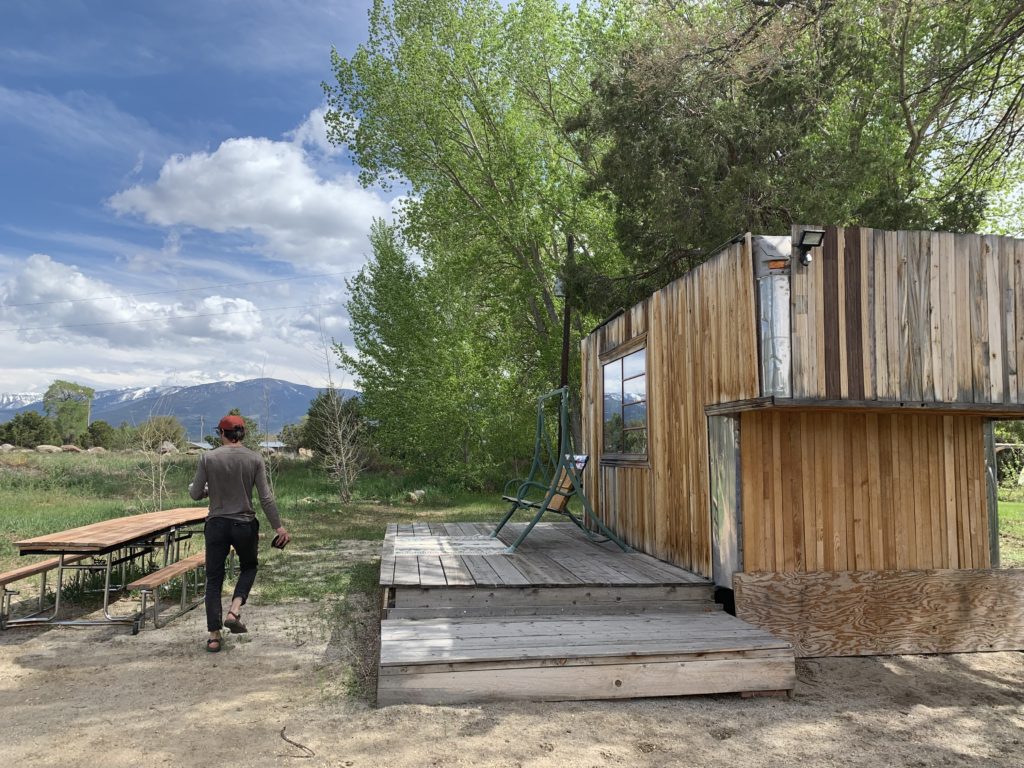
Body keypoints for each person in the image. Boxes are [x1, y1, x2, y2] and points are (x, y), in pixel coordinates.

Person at [189, 414, 290, 653]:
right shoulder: (255, 459)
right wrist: (279, 527)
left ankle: (214, 636)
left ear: (221, 433)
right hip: (244, 524)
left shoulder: (208, 458)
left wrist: (206, 491)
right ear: (242, 434)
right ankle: (234, 609)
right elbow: (265, 497)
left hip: (216, 525)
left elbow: (195, 494)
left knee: (214, 578)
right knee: (249, 567)